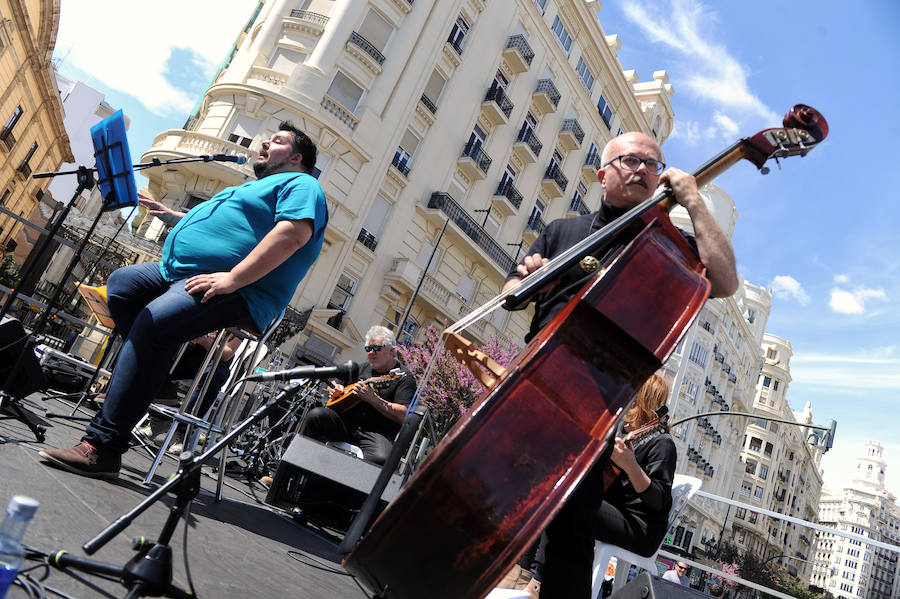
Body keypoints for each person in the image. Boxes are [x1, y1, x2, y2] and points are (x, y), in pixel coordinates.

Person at [500, 131, 738, 598]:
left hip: (600, 399)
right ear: (602, 173)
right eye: (631, 160)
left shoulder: (669, 243)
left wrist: (693, 201)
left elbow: (726, 280)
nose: (643, 169)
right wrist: (526, 280)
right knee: (496, 495)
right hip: (534, 381)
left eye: (654, 164)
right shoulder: (563, 231)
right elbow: (510, 294)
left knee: (573, 521)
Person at [40, 122, 329, 478]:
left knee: (153, 322)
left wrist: (233, 278)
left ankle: (103, 446)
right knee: (121, 286)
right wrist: (172, 216)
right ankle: (157, 380)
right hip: (178, 272)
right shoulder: (253, 187)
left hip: (240, 288)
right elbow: (221, 224)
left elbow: (292, 235)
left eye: (278, 141)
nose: (265, 142)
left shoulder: (304, 184)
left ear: (297, 157)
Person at [303, 325, 416, 465]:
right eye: (368, 348)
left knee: (381, 458)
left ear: (391, 351)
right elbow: (334, 382)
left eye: (376, 348)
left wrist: (373, 399)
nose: (371, 353)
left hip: (376, 433)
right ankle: (297, 470)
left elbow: (403, 415)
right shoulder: (361, 368)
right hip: (345, 423)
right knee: (316, 416)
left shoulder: (404, 378)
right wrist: (334, 388)